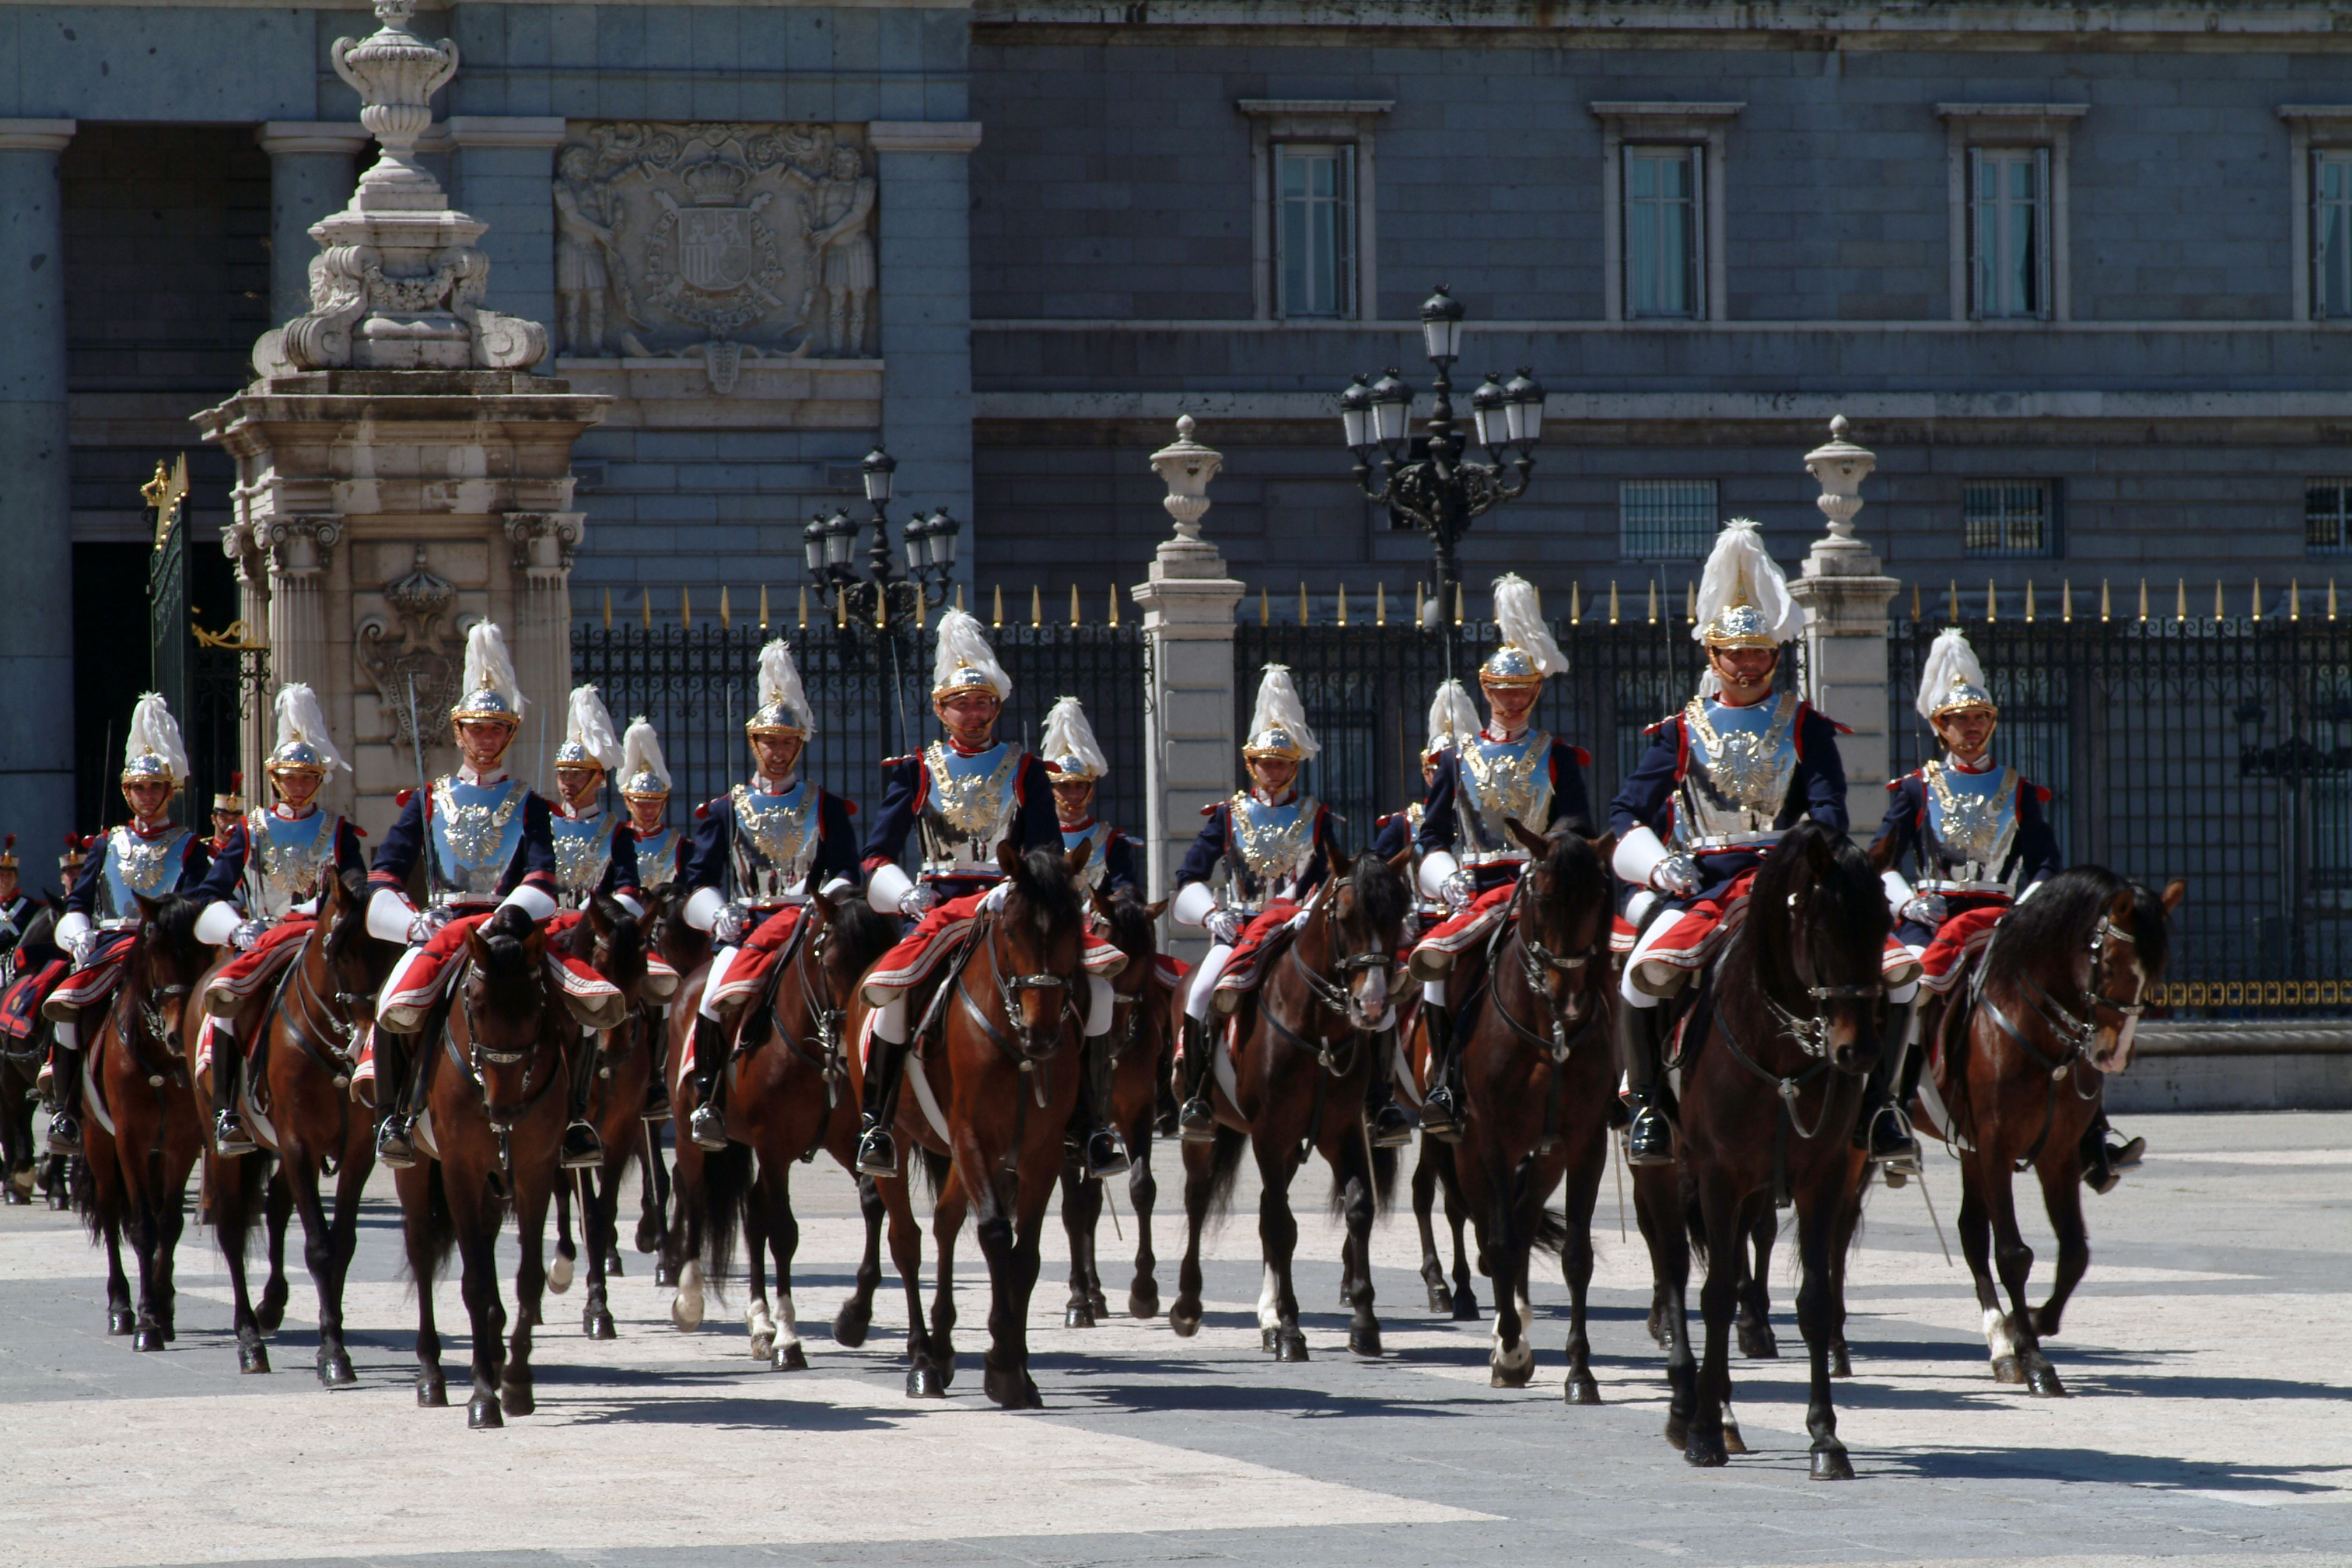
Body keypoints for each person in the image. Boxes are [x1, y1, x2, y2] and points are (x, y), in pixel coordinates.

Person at [1608, 520, 1916, 1166]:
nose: (1748, 666)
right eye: (1735, 654)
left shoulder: (1805, 725)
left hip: (1795, 880)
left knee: (1897, 976)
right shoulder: (1679, 732)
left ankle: (1881, 1106)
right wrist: (1660, 865)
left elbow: (1829, 811)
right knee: (1642, 976)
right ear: (1712, 656)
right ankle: (1650, 1109)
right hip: (1708, 882)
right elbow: (1625, 814)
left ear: (1776, 655)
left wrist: (1804, 856)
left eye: (1760, 653)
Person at [855, 609, 1127, 1180]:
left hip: (1013, 905)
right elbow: (877, 855)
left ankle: (1092, 1123)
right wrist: (905, 896)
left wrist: (1018, 887)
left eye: (982, 704)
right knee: (890, 996)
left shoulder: (1026, 769)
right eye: (961, 703)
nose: (972, 714)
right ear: (940, 708)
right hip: (937, 906)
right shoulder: (914, 772)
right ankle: (876, 1123)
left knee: (1098, 991)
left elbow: (1049, 851)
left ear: (996, 708)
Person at [1867, 628, 2132, 1188]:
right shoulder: (1916, 790)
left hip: (2004, 918)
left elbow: (2044, 862)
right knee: (1907, 990)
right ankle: (1888, 1110)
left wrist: (2030, 909)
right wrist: (1909, 898)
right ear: (1940, 726)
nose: (1972, 728)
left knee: (2072, 995)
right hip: (1935, 916)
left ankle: (2093, 1130)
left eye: (1980, 718)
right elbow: (1883, 860)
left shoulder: (2018, 789)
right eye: (1960, 719)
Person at [359, 623, 621, 1171]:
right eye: (476, 729)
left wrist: (507, 918)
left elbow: (543, 878)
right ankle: (394, 1115)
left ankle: (573, 1119)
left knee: (583, 1004)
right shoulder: (426, 800)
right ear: (458, 733)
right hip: (443, 925)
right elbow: (385, 874)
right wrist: (412, 924)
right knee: (391, 1001)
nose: (485, 739)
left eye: (496, 729)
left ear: (510, 735)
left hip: (513, 929)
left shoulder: (531, 805)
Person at [1409, 576, 1596, 1143]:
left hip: (1541, 887)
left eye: (1521, 690)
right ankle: (1444, 1079)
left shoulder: (1558, 755)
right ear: (1485, 690)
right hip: (1478, 887)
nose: (1511, 699)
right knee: (1435, 969)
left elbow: (1576, 825)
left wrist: (1550, 860)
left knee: (1599, 955)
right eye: (1501, 689)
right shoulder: (1454, 759)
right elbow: (1431, 836)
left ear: (1535, 692)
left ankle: (1617, 1081)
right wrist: (1446, 881)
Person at [1167, 666, 1381, 1141]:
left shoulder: (1316, 815)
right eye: (1266, 762)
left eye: (1283, 762)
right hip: (1240, 929)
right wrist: (1211, 913)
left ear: (1295, 766)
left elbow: (1331, 874)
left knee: (1369, 989)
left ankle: (1377, 1097)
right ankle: (1199, 1094)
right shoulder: (1228, 815)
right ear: (1251, 764)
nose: (1274, 770)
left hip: (1298, 930)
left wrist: (1311, 905)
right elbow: (1188, 877)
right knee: (1201, 992)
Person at [676, 639, 860, 1151]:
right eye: (768, 742)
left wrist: (825, 901)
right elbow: (697, 881)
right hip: (749, 927)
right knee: (712, 1000)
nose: (777, 754)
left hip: (808, 926)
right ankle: (711, 1098)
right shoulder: (725, 810)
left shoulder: (824, 806)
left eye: (787, 744)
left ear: (799, 746)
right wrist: (719, 915)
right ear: (753, 743)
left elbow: (847, 870)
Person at [187, 684, 366, 1157]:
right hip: (266, 938)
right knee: (225, 998)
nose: (299, 785)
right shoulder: (252, 828)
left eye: (308, 777)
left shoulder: (339, 830)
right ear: (275, 778)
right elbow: (211, 891)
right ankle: (227, 1107)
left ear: (319, 780)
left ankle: (384, 1103)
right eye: (291, 776)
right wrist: (236, 926)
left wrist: (319, 908)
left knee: (371, 995)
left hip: (320, 936)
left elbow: (357, 885)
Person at [43, 694, 212, 1156]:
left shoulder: (191, 845)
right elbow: (78, 899)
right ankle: (66, 1104)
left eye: (156, 787)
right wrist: (78, 931)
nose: (148, 795)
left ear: (168, 792)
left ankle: (221, 1102)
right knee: (66, 1002)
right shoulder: (107, 843)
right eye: (140, 787)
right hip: (115, 941)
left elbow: (201, 899)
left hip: (169, 946)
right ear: (127, 792)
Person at [546, 684, 645, 913]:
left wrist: (599, 906)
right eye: (563, 774)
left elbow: (628, 888)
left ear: (597, 777)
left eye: (577, 774)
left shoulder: (617, 833)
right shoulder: (543, 824)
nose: (568, 782)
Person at [1039, 695, 1143, 899]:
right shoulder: (1036, 837)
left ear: (1091, 789)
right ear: (1051, 790)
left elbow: (1125, 890)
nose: (1075, 794)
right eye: (1065, 787)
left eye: (1080, 786)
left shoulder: (1111, 840)